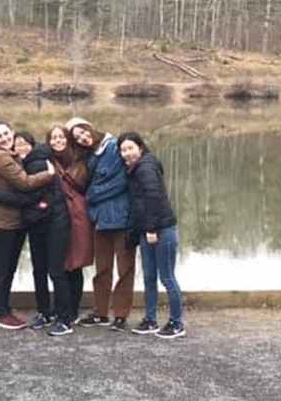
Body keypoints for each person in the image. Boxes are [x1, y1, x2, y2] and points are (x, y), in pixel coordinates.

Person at [0, 130, 76, 336]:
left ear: (32, 144)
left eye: (24, 143)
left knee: (56, 271)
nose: (20, 147)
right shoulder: (22, 163)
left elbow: (28, 194)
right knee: (38, 270)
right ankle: (44, 312)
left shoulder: (38, 163)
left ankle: (65, 319)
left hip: (55, 223)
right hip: (37, 224)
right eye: (17, 144)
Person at [67, 118, 134, 331]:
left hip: (122, 218)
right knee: (102, 269)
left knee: (125, 269)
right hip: (99, 220)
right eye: (77, 138)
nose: (83, 138)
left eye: (83, 132)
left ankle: (121, 316)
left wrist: (93, 194)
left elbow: (123, 179)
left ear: (90, 127)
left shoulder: (114, 147)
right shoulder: (89, 156)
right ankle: (100, 312)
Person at [0, 123, 53, 330]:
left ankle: (3, 308)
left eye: (6, 134)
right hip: (3, 222)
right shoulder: (1, 157)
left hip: (14, 222)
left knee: (9, 268)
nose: (4, 138)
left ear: (12, 133)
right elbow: (25, 183)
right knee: (0, 268)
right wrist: (49, 174)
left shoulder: (11, 155)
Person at [119, 132, 186, 339]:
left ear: (140, 147)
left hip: (161, 230)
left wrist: (151, 229)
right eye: (123, 150)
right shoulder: (135, 169)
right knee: (149, 278)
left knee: (167, 277)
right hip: (147, 231)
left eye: (130, 148)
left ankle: (176, 323)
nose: (127, 153)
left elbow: (154, 198)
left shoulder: (146, 167)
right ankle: (150, 320)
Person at [47, 124, 93, 325]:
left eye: (61, 137)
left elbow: (85, 184)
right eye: (53, 138)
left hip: (78, 216)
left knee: (76, 264)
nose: (57, 141)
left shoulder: (79, 160)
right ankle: (61, 307)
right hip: (56, 216)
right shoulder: (46, 161)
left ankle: (72, 309)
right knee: (60, 264)